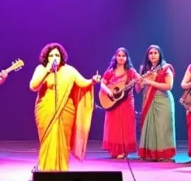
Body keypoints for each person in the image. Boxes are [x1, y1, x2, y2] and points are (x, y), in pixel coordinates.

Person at [29, 43, 101, 172]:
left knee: (63, 142)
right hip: (45, 110)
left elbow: (83, 83)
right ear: (47, 57)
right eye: (51, 55)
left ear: (62, 56)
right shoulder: (41, 69)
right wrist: (47, 70)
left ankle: (62, 169)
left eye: (57, 55)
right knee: (47, 140)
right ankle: (45, 169)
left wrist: (93, 81)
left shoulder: (69, 70)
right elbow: (33, 86)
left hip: (66, 111)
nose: (54, 57)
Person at [137, 44, 176, 161]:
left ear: (160, 55)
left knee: (162, 127)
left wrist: (150, 83)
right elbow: (138, 89)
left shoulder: (166, 68)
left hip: (163, 101)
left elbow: (169, 86)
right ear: (147, 55)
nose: (153, 55)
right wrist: (139, 83)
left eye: (155, 53)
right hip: (148, 100)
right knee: (149, 127)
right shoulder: (143, 69)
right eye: (150, 53)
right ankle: (149, 154)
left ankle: (165, 155)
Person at [100, 47, 138, 159]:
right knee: (113, 125)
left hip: (127, 101)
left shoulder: (131, 71)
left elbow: (139, 81)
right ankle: (114, 150)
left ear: (127, 58)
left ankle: (124, 150)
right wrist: (108, 91)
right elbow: (102, 83)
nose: (121, 58)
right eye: (119, 55)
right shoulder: (110, 71)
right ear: (115, 57)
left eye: (123, 56)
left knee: (126, 125)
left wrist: (142, 81)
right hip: (112, 102)